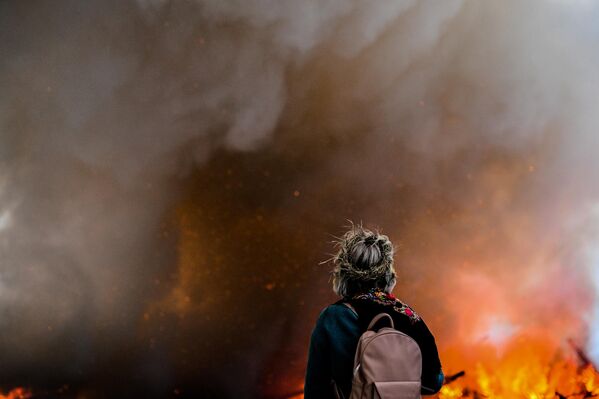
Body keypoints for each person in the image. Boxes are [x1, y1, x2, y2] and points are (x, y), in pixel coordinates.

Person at [304, 223, 444, 398]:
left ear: (343, 274)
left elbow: (315, 389)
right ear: (388, 273)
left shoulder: (333, 317)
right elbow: (434, 382)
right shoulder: (407, 316)